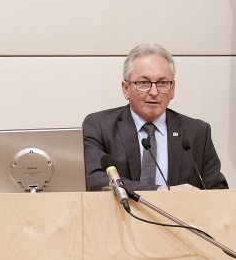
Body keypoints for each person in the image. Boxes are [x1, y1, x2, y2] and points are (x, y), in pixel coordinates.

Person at [83, 43, 228, 192]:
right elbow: (94, 181)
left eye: (162, 83)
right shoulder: (100, 127)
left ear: (172, 89)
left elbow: (218, 190)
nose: (153, 92)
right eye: (144, 83)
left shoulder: (197, 133)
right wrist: (161, 191)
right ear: (126, 89)